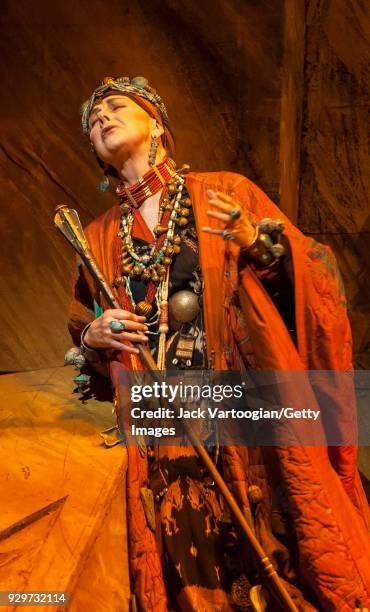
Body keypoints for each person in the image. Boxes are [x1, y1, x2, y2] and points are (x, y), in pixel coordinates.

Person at [68, 76, 370, 611]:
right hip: (161, 431)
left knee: (278, 560)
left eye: (117, 107)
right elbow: (84, 333)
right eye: (94, 119)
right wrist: (94, 336)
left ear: (157, 125)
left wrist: (260, 247)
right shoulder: (97, 235)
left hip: (246, 416)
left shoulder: (225, 192)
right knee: (186, 570)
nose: (103, 118)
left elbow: (314, 287)